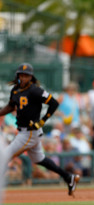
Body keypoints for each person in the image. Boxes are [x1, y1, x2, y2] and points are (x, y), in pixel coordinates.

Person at [0, 63, 80, 196]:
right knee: (39, 159)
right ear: (18, 75)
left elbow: (54, 103)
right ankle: (68, 177)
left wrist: (43, 121)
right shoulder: (15, 90)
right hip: (26, 132)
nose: (23, 77)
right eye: (21, 75)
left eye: (26, 75)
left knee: (4, 156)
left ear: (31, 77)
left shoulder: (35, 90)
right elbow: (10, 106)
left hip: (29, 132)